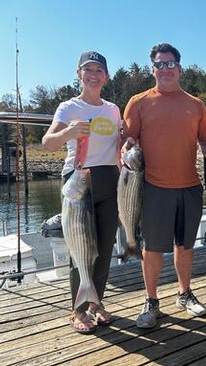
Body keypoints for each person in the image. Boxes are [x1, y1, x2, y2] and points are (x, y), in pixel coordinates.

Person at [122, 43, 206, 329]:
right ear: (152, 69)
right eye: (159, 64)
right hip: (152, 187)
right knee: (152, 248)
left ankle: (184, 294)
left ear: (179, 68)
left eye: (170, 63)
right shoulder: (138, 102)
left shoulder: (196, 104)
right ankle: (151, 301)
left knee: (185, 245)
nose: (165, 69)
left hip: (190, 186)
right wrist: (126, 146)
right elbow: (128, 140)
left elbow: (205, 140)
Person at [42, 51, 121, 333]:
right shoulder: (68, 107)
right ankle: (77, 311)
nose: (94, 74)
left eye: (99, 70)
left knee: (104, 246)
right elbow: (48, 142)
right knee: (80, 248)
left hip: (109, 178)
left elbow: (118, 143)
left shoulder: (113, 109)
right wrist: (67, 133)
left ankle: (95, 303)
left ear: (106, 76)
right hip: (77, 179)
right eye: (88, 69)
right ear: (79, 74)